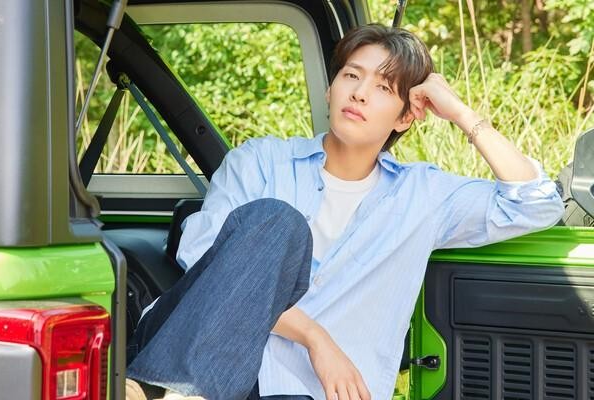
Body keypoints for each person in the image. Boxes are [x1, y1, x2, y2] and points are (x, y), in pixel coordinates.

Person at [125, 24, 564, 400]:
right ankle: (170, 390)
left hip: (300, 392)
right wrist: (315, 337)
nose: (359, 93)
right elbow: (204, 256)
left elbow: (536, 203)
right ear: (330, 88)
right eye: (351, 75)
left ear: (405, 118)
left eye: (383, 88)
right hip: (175, 353)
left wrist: (462, 114)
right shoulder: (260, 161)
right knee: (279, 223)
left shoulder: (423, 195)